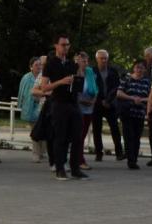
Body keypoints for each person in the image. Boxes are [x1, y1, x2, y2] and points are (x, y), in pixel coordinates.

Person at [39, 35, 90, 180]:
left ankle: (75, 169)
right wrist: (61, 81)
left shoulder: (71, 64)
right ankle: (60, 168)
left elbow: (80, 84)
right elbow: (44, 87)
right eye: (63, 44)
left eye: (67, 45)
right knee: (60, 137)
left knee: (77, 137)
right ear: (56, 46)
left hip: (73, 103)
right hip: (58, 103)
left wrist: (80, 68)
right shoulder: (50, 64)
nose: (65, 47)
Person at [117, 59, 151, 169]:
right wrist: (132, 98)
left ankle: (134, 159)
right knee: (129, 137)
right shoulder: (126, 79)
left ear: (145, 69)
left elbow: (151, 96)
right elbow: (119, 93)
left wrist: (141, 99)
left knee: (136, 138)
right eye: (137, 67)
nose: (139, 69)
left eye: (141, 67)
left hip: (140, 113)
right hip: (127, 112)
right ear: (133, 68)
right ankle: (131, 161)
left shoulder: (147, 82)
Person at [91, 49, 124, 161]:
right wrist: (100, 101)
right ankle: (98, 153)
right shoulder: (92, 72)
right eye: (101, 58)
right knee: (97, 129)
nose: (104, 60)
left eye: (105, 58)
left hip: (110, 105)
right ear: (97, 59)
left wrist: (109, 101)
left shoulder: (113, 72)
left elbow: (116, 87)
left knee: (115, 128)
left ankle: (119, 152)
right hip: (97, 104)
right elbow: (92, 88)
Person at [19, 56, 46, 162]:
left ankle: (42, 152)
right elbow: (23, 93)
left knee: (43, 131)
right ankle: (36, 154)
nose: (39, 66)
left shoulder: (44, 76)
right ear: (31, 67)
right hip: (31, 108)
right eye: (36, 65)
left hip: (43, 107)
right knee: (35, 131)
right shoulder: (26, 78)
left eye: (40, 64)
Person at [75, 52, 98, 171]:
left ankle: (79, 159)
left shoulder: (89, 72)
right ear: (77, 61)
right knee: (77, 135)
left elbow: (95, 89)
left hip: (88, 108)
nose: (86, 63)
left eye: (87, 61)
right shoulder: (73, 73)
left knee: (82, 135)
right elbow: (72, 91)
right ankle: (79, 160)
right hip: (76, 107)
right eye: (83, 61)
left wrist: (93, 101)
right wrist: (80, 101)